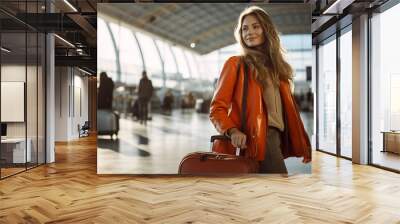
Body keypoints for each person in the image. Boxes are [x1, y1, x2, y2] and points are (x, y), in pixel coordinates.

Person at [209, 6, 311, 174]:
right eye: (245, 28)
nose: (249, 32)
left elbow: (290, 112)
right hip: (259, 137)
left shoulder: (278, 69)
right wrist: (232, 130)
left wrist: (303, 142)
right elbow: (216, 108)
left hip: (276, 137)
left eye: (255, 26)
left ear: (266, 29)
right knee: (279, 189)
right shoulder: (236, 64)